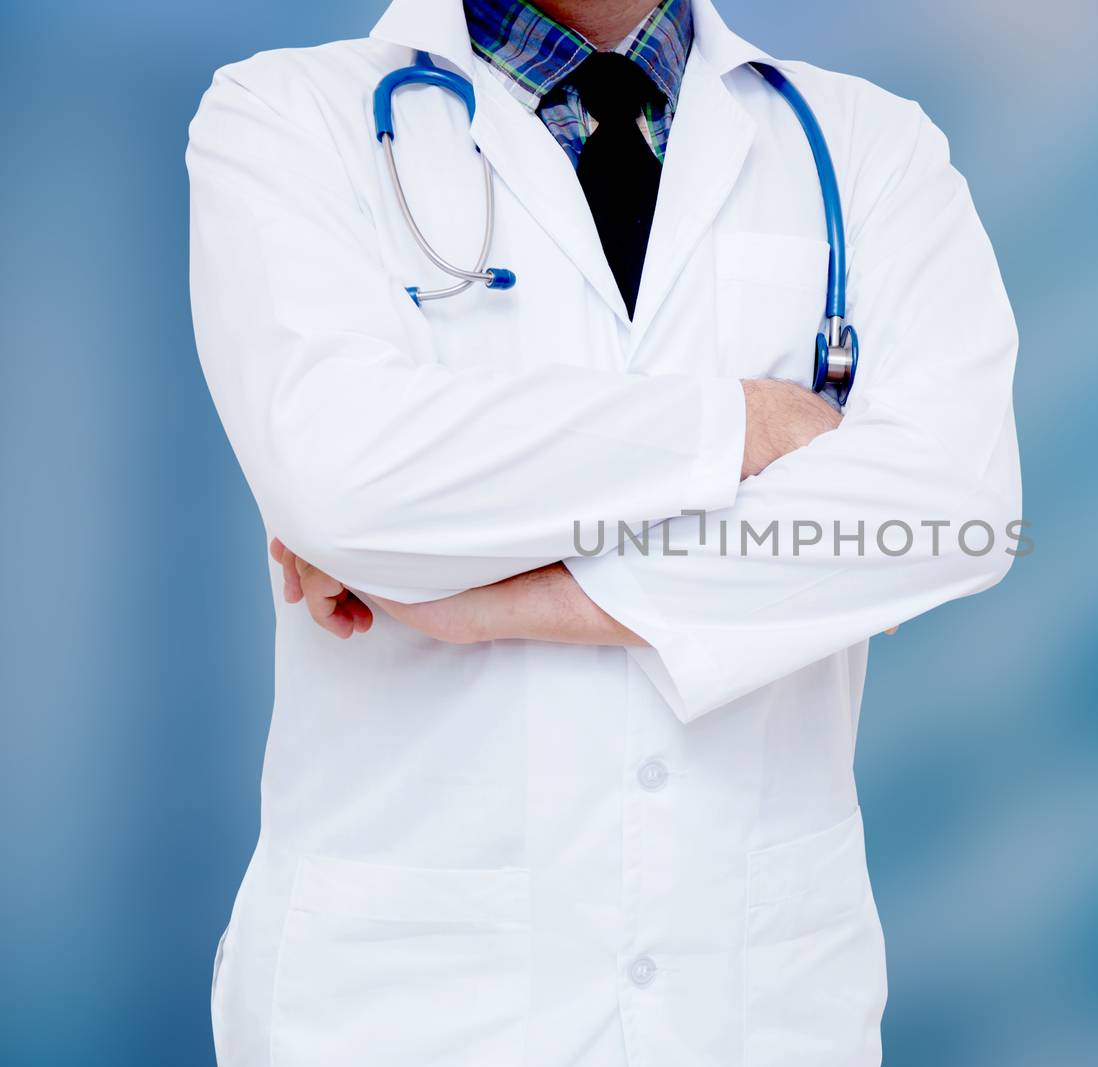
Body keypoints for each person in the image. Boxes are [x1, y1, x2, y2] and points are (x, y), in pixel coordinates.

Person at [188, 0, 1020, 1062]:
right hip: (403, 1003)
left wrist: (494, 592)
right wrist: (751, 423)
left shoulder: (868, 147)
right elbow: (348, 478)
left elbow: (951, 514)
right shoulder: (288, 118)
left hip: (754, 1001)